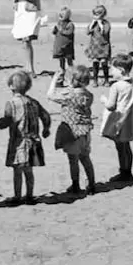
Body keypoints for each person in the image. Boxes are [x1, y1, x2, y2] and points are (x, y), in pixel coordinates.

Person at [0, 69, 51, 206]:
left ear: (11, 86)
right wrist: (46, 129)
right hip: (33, 141)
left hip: (18, 141)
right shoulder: (33, 102)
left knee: (17, 171)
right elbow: (45, 116)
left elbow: (6, 121)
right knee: (29, 170)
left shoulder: (12, 103)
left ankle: (18, 196)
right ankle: (30, 195)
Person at [47, 65, 97, 195]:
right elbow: (72, 92)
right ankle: (91, 184)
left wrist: (54, 81)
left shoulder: (69, 95)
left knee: (73, 160)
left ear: (74, 80)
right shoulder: (88, 95)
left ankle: (75, 185)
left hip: (72, 132)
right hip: (85, 132)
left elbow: (51, 95)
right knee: (86, 158)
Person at [99, 54, 133, 182]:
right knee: (126, 146)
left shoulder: (116, 86)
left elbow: (111, 106)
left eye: (112, 69)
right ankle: (128, 170)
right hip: (130, 117)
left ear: (121, 70)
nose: (111, 72)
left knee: (120, 147)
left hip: (119, 119)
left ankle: (124, 172)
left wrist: (104, 100)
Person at [9, 0, 44, 76]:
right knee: (24, 41)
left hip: (30, 11)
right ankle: (28, 67)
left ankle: (31, 69)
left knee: (27, 40)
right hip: (21, 10)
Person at [86, 5, 112, 86]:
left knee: (104, 63)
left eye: (98, 14)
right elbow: (87, 32)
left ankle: (107, 80)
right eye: (94, 14)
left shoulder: (106, 23)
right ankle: (95, 80)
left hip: (104, 46)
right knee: (95, 63)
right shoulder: (93, 24)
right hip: (95, 46)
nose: (96, 16)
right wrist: (92, 24)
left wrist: (101, 25)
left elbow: (105, 33)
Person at [51, 6, 75, 81]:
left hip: (67, 45)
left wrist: (61, 30)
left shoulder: (70, 24)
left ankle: (71, 73)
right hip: (60, 45)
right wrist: (54, 30)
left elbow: (69, 32)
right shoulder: (59, 23)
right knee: (61, 59)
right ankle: (62, 72)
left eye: (63, 14)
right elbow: (54, 32)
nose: (61, 16)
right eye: (60, 14)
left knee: (69, 60)